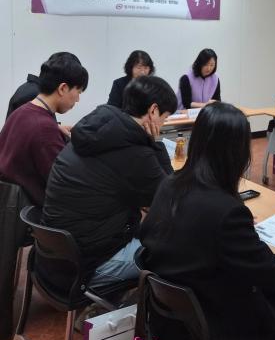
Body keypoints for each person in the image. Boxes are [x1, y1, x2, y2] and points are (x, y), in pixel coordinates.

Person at [140, 102, 275, 340]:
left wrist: (238, 232)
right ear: (235, 153)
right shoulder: (226, 212)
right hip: (217, 331)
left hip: (173, 324)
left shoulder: (170, 185)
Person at [42, 76, 177, 287]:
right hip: (89, 266)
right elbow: (170, 201)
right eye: (165, 118)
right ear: (153, 111)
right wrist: (156, 143)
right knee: (181, 252)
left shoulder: (95, 128)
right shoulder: (135, 152)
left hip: (54, 258)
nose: (163, 124)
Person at [0, 53, 88, 205]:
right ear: (63, 88)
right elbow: (63, 186)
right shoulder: (44, 128)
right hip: (29, 212)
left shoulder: (21, 112)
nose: (78, 99)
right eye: (78, 92)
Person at [5, 51, 82, 138]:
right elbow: (27, 135)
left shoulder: (33, 90)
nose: (77, 99)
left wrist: (56, 127)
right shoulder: (33, 95)